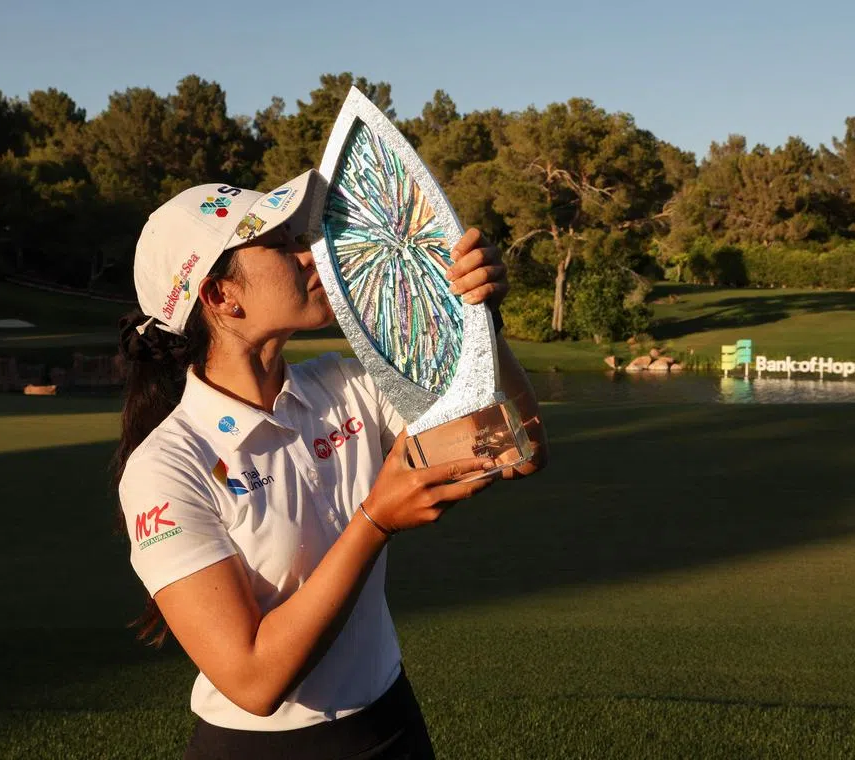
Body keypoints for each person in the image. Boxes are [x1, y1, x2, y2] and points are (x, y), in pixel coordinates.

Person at [113, 170, 548, 760]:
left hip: (390, 723)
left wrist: (481, 322)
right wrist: (374, 521)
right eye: (281, 243)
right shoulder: (165, 467)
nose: (312, 253)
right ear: (220, 296)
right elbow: (253, 681)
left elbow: (514, 447)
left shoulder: (347, 385)